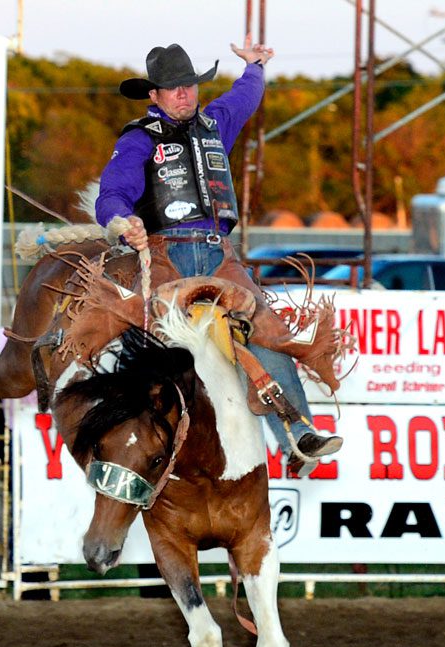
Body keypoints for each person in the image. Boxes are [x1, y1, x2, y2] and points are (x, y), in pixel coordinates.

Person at [96, 38, 342, 476]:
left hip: (217, 254)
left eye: (189, 85)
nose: (184, 93)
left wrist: (254, 68)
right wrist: (120, 220)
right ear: (154, 95)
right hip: (164, 252)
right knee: (140, 334)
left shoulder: (215, 123)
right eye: (173, 88)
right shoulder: (138, 140)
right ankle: (121, 433)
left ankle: (297, 433)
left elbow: (245, 97)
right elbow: (113, 191)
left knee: (265, 325)